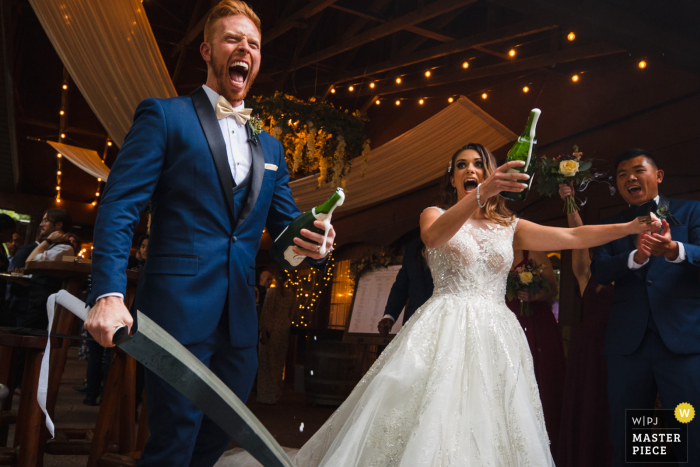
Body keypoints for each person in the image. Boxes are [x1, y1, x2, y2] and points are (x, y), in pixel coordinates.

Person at [219, 143, 658, 467]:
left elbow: (574, 238)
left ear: (494, 173)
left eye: (478, 164)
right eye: (462, 166)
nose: (470, 169)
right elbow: (433, 239)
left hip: (497, 333)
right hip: (443, 324)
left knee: (490, 421)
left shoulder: (511, 226)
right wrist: (478, 193)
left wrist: (629, 225)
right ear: (453, 180)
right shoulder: (433, 213)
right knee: (428, 414)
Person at [84, 2, 335, 466]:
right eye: (232, 39)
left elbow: (284, 232)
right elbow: (121, 206)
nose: (245, 49)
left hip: (240, 320)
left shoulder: (269, 140)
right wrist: (108, 293)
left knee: (216, 442)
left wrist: (314, 241)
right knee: (174, 440)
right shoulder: (164, 116)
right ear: (206, 50)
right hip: (176, 312)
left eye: (254, 44)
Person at [590, 149, 700, 466]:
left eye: (638, 170)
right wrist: (634, 259)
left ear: (658, 176)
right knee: (632, 438)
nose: (630, 178)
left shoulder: (691, 212)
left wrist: (673, 249)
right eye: (622, 174)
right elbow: (599, 271)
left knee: (690, 432)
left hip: (683, 345)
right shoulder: (611, 224)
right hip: (629, 348)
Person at [556, 183, 614, 466]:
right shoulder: (586, 275)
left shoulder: (630, 276)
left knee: (610, 407)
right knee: (586, 406)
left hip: (617, 348)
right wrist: (570, 204)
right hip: (587, 350)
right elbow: (578, 238)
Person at [505, 248, 565, 457]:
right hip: (505, 321)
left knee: (541, 382)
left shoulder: (531, 250)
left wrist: (534, 294)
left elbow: (553, 288)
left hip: (535, 321)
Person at [21, 209, 74, 330]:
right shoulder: (55, 246)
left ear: (58, 225)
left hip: (43, 303)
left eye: (45, 220)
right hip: (36, 300)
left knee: (31, 338)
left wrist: (48, 241)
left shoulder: (64, 248)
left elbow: (30, 262)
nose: (41, 224)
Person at [377, 238, 433, 336]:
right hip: (413, 322)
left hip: (448, 320)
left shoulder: (456, 246)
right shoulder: (412, 248)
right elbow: (401, 286)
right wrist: (389, 316)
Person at [256, 270, 294, 404]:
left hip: (272, 331)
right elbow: (292, 314)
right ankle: (277, 392)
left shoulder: (271, 293)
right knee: (279, 362)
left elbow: (266, 312)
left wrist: (263, 330)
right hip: (284, 330)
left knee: (267, 363)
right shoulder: (290, 295)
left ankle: (266, 395)